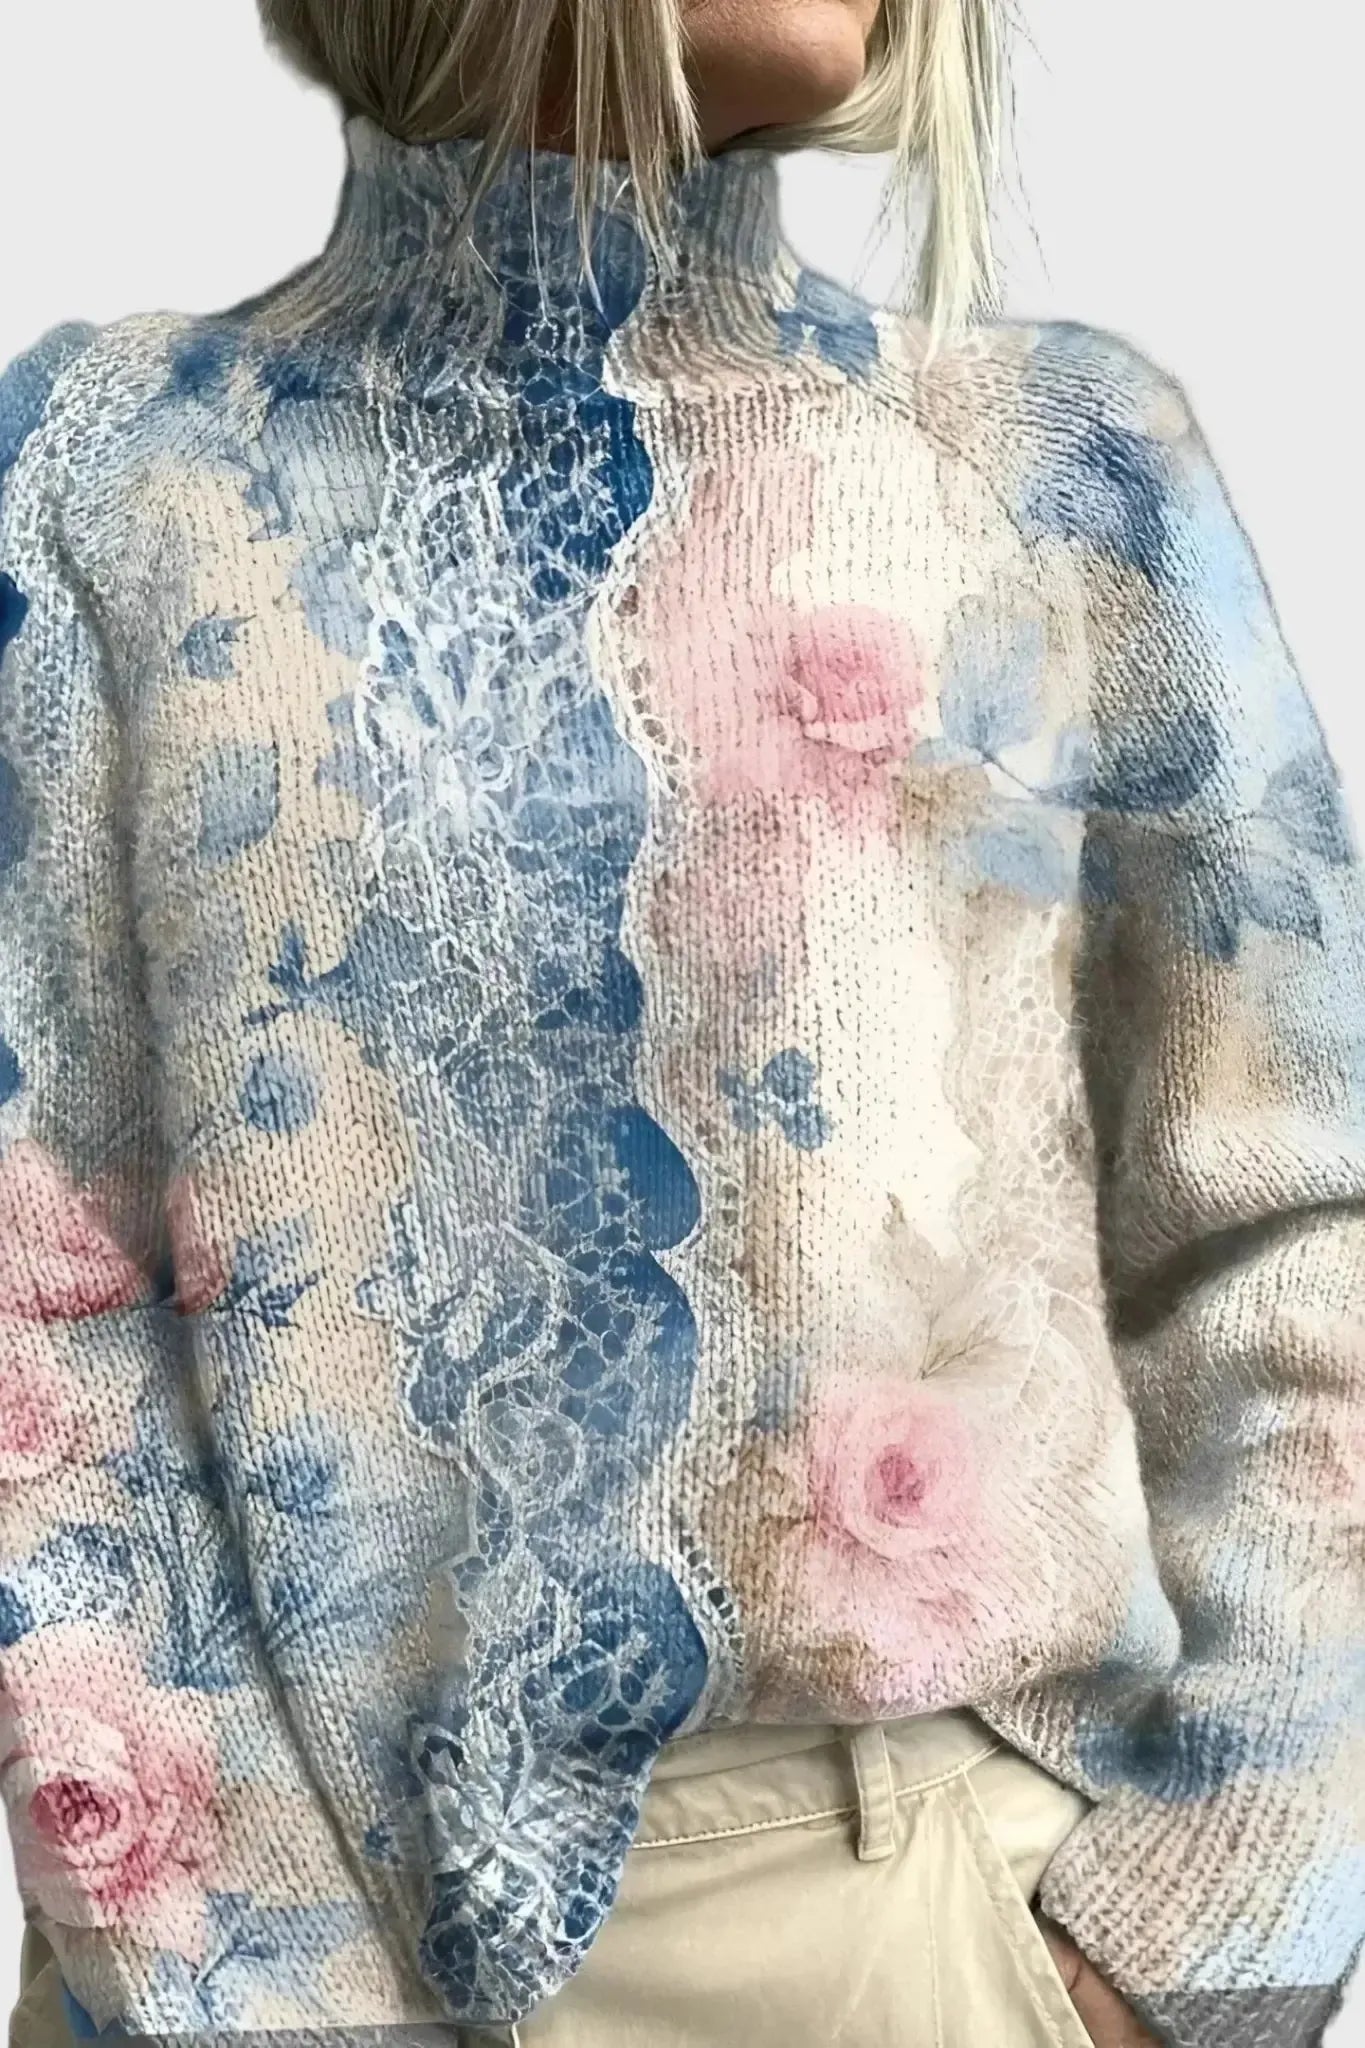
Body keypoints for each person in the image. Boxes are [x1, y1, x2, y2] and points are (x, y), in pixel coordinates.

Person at [0, 1, 1361, 2044]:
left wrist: (1184, 1948)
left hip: (905, 1923)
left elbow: (1291, 1231)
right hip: (239, 1960)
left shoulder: (1053, 465)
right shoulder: (105, 479)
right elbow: (35, 1319)